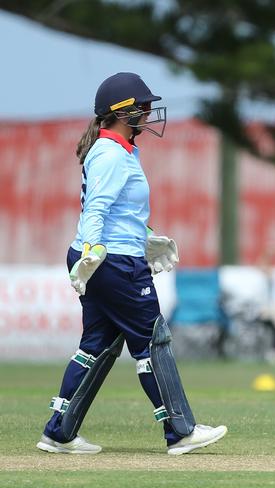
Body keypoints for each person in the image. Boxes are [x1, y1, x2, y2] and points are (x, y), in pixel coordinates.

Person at [36, 72, 227, 455]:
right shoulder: (109, 153)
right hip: (110, 259)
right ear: (124, 112)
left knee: (98, 344)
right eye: (143, 107)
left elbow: (122, 211)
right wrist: (92, 249)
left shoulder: (119, 151)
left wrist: (145, 236)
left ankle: (59, 431)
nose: (149, 113)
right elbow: (97, 208)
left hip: (112, 254)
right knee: (151, 340)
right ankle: (180, 431)